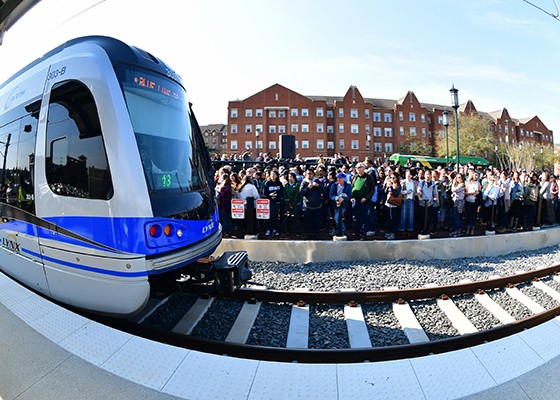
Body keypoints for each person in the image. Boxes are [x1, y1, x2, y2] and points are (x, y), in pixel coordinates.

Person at [351, 162, 375, 238]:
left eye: (359, 167)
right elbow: (352, 187)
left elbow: (372, 190)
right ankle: (357, 233)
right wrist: (352, 197)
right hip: (356, 200)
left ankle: (364, 233)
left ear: (363, 168)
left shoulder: (368, 177)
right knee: (356, 217)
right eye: (356, 167)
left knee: (365, 217)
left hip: (365, 201)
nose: (357, 169)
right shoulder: (355, 177)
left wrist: (366, 198)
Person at [300, 169, 324, 239]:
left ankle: (316, 235)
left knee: (316, 221)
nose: (308, 175)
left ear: (313, 174)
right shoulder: (304, 182)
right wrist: (308, 188)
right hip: (308, 206)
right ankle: (309, 235)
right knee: (308, 222)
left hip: (317, 206)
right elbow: (301, 192)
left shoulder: (317, 181)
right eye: (307, 173)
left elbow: (323, 190)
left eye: (310, 173)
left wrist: (317, 185)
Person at [262, 170, 284, 237]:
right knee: (269, 216)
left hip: (277, 202)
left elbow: (282, 192)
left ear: (277, 176)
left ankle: (275, 229)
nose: (272, 176)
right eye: (271, 175)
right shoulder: (267, 183)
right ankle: (268, 229)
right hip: (270, 202)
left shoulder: (279, 183)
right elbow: (264, 194)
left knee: (276, 216)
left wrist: (276, 195)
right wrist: (270, 195)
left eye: (274, 175)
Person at [383, 173, 402, 239]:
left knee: (393, 219)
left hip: (394, 205)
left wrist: (391, 187)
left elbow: (396, 194)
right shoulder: (389, 183)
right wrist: (387, 187)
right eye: (391, 177)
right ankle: (388, 231)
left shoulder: (398, 185)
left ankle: (392, 233)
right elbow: (384, 192)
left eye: (394, 178)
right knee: (387, 219)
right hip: (387, 204)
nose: (392, 179)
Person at [284, 172, 303, 236]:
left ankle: (297, 231)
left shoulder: (297, 185)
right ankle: (288, 231)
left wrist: (293, 203)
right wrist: (288, 202)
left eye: (291, 177)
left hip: (295, 204)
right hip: (288, 204)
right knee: (287, 217)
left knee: (296, 218)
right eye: (289, 177)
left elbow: (297, 195)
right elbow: (285, 195)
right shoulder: (286, 185)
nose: (290, 178)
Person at [399, 169, 416, 238]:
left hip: (411, 200)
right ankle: (402, 230)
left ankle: (409, 230)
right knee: (403, 216)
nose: (408, 176)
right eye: (407, 175)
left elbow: (415, 191)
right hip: (405, 200)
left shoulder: (413, 183)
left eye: (409, 175)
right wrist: (406, 192)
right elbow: (400, 191)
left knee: (410, 216)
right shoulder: (403, 182)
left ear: (411, 176)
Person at [216, 173, 234, 237]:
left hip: (223, 205)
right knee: (228, 218)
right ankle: (229, 231)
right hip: (228, 205)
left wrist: (217, 191)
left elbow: (220, 196)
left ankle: (225, 232)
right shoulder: (230, 187)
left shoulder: (223, 188)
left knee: (224, 219)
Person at [464, 171, 481, 235]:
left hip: (475, 201)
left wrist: (477, 193)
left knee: (474, 215)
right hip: (468, 200)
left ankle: (472, 228)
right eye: (475, 175)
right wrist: (472, 193)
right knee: (468, 215)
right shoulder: (468, 183)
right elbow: (465, 192)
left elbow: (479, 191)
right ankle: (468, 228)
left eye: (477, 175)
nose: (476, 177)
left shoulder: (478, 183)